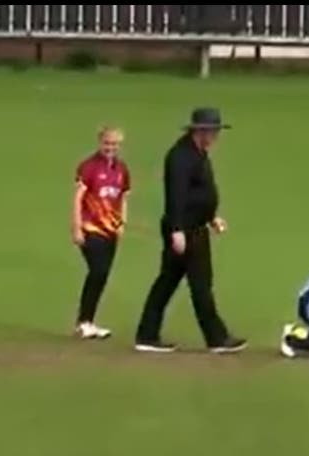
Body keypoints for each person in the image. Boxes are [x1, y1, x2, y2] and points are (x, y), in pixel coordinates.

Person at [134, 107, 245, 354]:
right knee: (200, 283)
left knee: (168, 281)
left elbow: (200, 192)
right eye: (213, 131)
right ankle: (216, 338)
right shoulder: (180, 157)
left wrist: (211, 217)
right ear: (200, 131)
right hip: (186, 230)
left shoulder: (198, 153)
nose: (216, 136)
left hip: (195, 226)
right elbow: (176, 196)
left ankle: (147, 334)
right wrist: (177, 230)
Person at [72, 126, 130, 340]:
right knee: (98, 272)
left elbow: (122, 197)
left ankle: (88, 322)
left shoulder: (122, 169)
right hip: (91, 229)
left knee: (101, 275)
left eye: (114, 144)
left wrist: (122, 222)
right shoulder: (89, 167)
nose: (110, 148)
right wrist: (76, 227)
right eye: (107, 144)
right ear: (100, 143)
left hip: (110, 231)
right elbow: (78, 199)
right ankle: (84, 322)